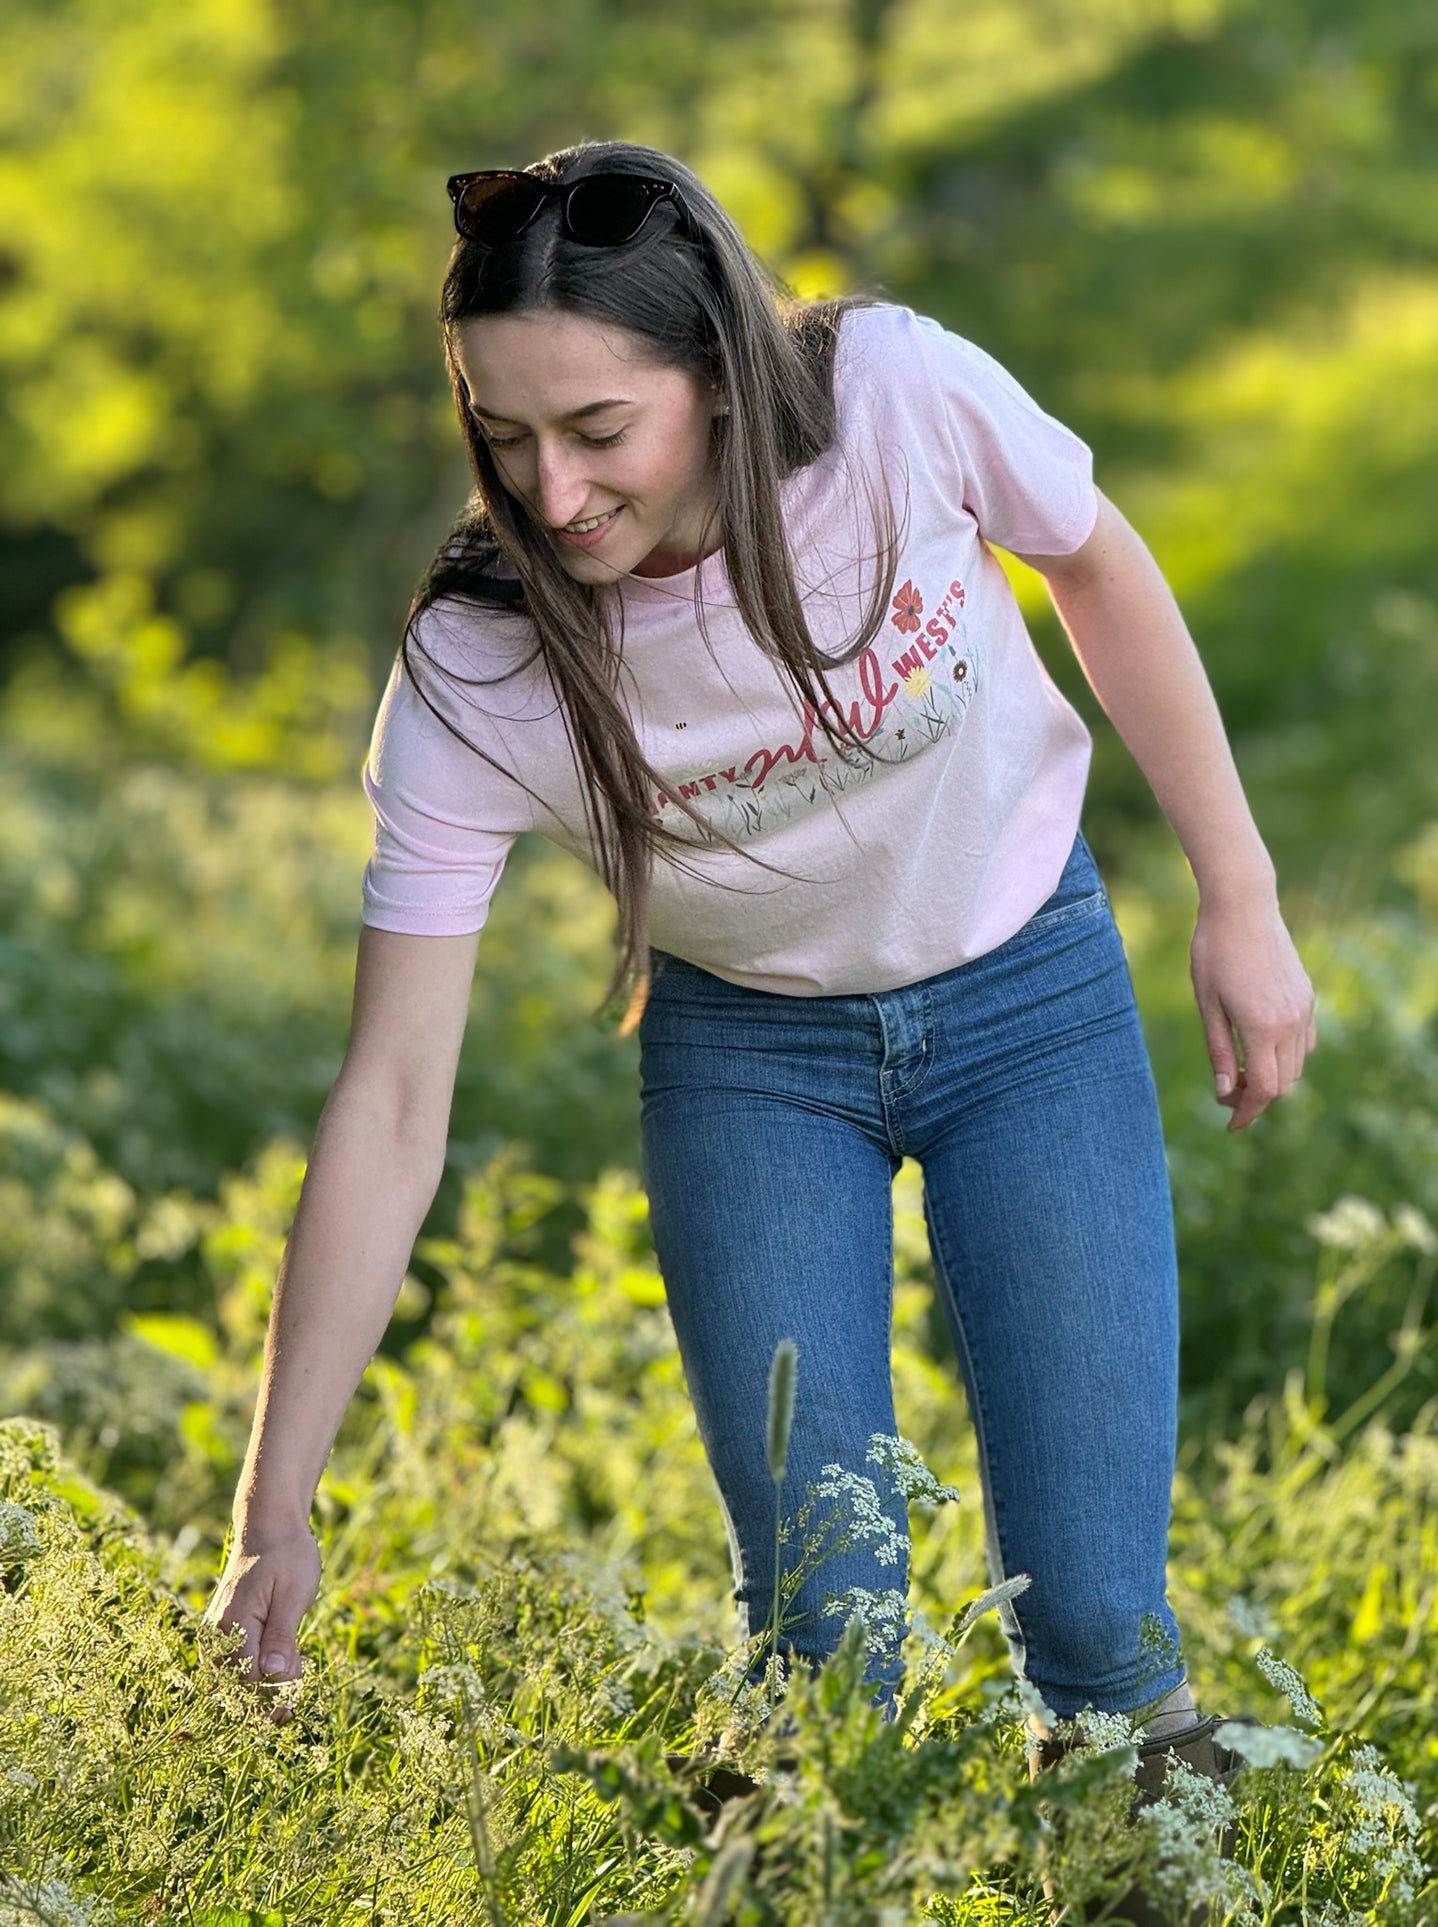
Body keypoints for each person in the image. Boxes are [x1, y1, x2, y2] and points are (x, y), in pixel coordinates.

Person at [207, 140, 1315, 1778]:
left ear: (716, 377)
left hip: (1029, 998)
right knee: (823, 1632)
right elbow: (387, 1102)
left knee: (1094, 1623)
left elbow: (1092, 560)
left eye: (598, 432)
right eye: (503, 441)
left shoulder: (888, 399)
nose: (553, 493)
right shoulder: (476, 663)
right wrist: (270, 1503)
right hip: (752, 1061)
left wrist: (1239, 894)